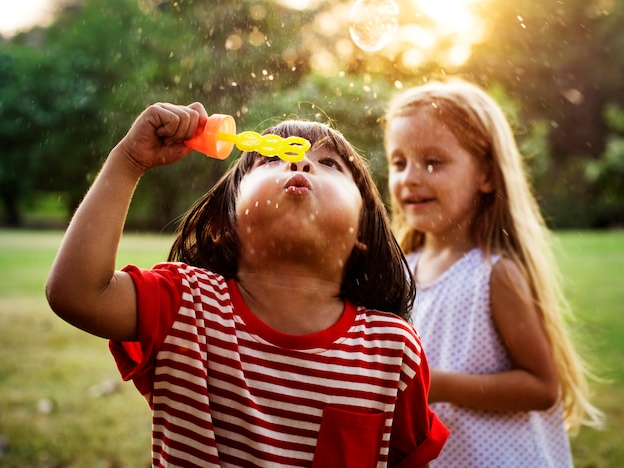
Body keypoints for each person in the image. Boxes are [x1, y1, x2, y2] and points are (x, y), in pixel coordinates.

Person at [46, 102, 449, 467]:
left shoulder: (391, 349)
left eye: (329, 164)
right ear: (225, 224)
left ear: (362, 228)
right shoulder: (186, 305)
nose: (300, 163)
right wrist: (129, 160)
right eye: (272, 158)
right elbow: (78, 292)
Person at [383, 78, 603, 467]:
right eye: (399, 162)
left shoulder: (493, 275)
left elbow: (541, 387)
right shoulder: (403, 270)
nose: (410, 177)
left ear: (485, 175)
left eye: (432, 162)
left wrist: (437, 384)